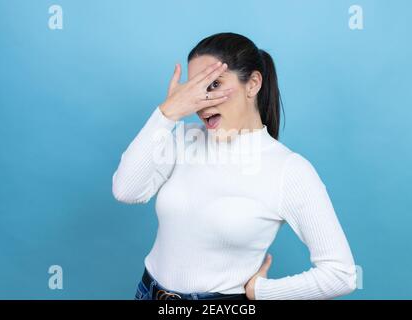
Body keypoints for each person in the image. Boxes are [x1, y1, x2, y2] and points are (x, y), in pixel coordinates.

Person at [112, 32, 357, 300]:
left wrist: (262, 292)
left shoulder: (289, 169)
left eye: (214, 84)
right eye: (194, 88)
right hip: (149, 293)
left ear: (252, 84)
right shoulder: (183, 139)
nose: (201, 102)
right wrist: (167, 113)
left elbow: (340, 274)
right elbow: (127, 191)